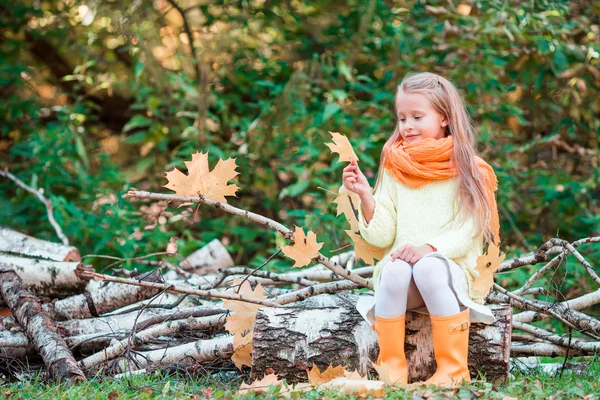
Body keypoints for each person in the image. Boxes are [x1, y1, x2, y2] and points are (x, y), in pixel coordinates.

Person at [342, 72, 500, 387]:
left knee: (427, 267)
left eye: (417, 116)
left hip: (448, 277)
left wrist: (428, 249)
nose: (407, 126)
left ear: (444, 118)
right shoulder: (395, 165)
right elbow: (382, 235)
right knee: (396, 269)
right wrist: (366, 196)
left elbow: (470, 230)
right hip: (405, 287)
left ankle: (452, 370)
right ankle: (392, 367)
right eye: (401, 118)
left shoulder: (470, 168)